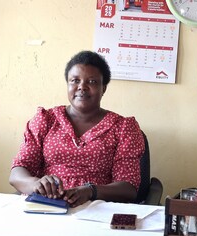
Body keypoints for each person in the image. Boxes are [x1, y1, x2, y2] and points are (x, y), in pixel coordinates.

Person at [9, 51, 145, 207]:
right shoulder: (45, 120)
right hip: (46, 206)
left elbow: (128, 188)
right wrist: (36, 184)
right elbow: (17, 173)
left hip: (97, 208)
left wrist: (90, 191)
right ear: (68, 84)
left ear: (104, 88)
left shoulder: (123, 128)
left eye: (92, 82)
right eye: (75, 80)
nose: (82, 87)